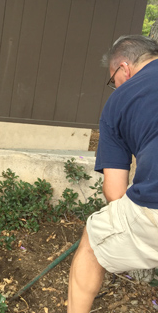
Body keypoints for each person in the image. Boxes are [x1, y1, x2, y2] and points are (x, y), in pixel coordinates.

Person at [67, 35, 158, 312]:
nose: (114, 87)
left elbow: (115, 192)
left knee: (93, 241)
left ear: (124, 69)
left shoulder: (120, 100)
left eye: (112, 80)